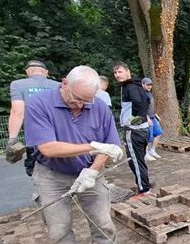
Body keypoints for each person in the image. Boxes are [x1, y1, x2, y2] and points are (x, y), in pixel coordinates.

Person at [24, 65, 124, 244]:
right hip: (51, 176)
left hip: (91, 171)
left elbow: (110, 144)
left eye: (86, 101)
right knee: (59, 230)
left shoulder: (99, 107)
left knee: (103, 224)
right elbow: (48, 148)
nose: (80, 104)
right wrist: (91, 146)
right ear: (64, 83)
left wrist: (93, 171)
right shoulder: (39, 104)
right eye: (77, 98)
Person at [6, 59, 60, 176]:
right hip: (59, 133)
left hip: (34, 134)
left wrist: (12, 139)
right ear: (46, 72)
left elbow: (17, 112)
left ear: (27, 72)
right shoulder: (58, 86)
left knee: (36, 167)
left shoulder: (18, 85)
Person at [113, 61, 152, 197]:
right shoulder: (137, 85)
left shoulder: (129, 87)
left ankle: (144, 190)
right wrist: (143, 116)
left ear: (128, 71)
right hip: (143, 129)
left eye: (120, 71)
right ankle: (145, 186)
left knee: (134, 161)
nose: (117, 75)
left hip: (134, 131)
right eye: (115, 73)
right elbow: (146, 101)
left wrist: (134, 117)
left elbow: (138, 101)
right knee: (139, 160)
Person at [141, 77, 163, 162]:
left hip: (153, 116)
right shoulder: (142, 94)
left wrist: (156, 115)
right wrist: (147, 118)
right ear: (142, 84)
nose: (149, 86)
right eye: (148, 85)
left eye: (151, 85)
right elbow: (141, 108)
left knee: (159, 132)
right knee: (148, 137)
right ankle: (145, 154)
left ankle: (152, 150)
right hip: (146, 118)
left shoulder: (149, 93)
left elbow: (150, 106)